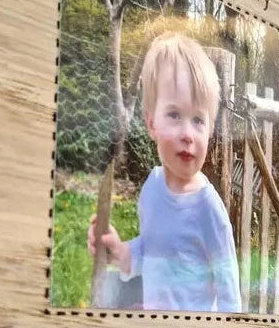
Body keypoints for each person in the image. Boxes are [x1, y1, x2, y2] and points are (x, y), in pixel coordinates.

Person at [88, 32, 242, 312]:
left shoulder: (209, 208)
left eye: (198, 120)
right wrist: (121, 253)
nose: (187, 134)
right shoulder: (152, 188)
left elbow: (229, 289)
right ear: (151, 123)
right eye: (174, 115)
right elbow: (150, 249)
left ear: (210, 130)